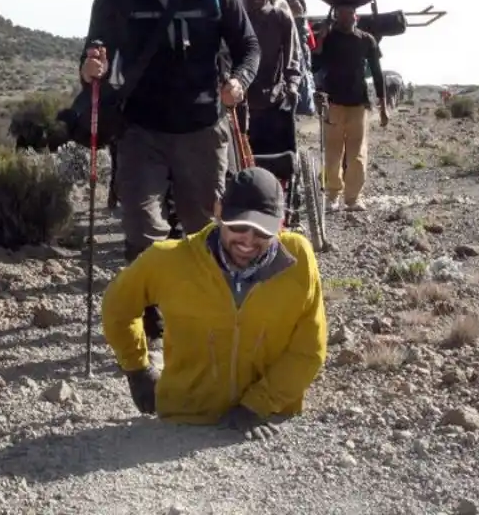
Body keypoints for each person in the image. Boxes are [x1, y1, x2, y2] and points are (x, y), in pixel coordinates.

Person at [80, 0, 260, 339]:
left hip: (201, 129)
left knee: (203, 230)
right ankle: (155, 318)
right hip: (140, 130)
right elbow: (94, 56)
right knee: (142, 228)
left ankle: (203, 312)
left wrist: (238, 82)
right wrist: (90, 69)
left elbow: (249, 47)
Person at [101, 166, 327, 439]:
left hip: (271, 420)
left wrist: (258, 404)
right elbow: (117, 306)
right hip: (185, 422)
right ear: (219, 211)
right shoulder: (168, 261)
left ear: (281, 224)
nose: (248, 240)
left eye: (262, 231)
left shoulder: (299, 260)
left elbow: (309, 347)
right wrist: (136, 368)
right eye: (238, 225)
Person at [311, 4, 388, 212]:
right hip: (332, 103)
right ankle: (333, 196)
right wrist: (320, 39)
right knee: (333, 152)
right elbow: (314, 65)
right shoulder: (329, 38)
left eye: (349, 13)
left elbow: (377, 73)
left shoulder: (366, 40)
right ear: (336, 17)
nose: (345, 17)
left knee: (357, 154)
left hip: (358, 104)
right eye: (341, 14)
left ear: (356, 16)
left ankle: (353, 198)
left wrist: (383, 106)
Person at [240, 0, 302, 156]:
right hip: (243, 102)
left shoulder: (281, 18)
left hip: (275, 100)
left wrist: (292, 86)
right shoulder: (237, 19)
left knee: (280, 160)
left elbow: (293, 58)